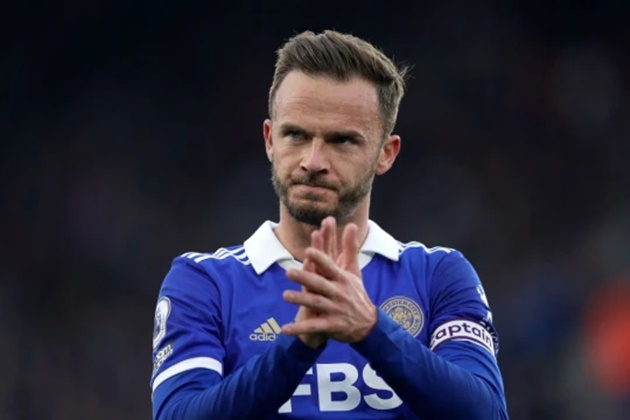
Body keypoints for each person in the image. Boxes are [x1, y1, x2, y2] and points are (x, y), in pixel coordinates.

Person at [150, 30, 508, 419]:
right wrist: (299, 344)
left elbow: (486, 412)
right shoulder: (205, 282)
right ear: (270, 140)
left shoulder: (437, 275)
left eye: (342, 141)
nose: (313, 161)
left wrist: (372, 330)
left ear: (386, 153)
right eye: (296, 135)